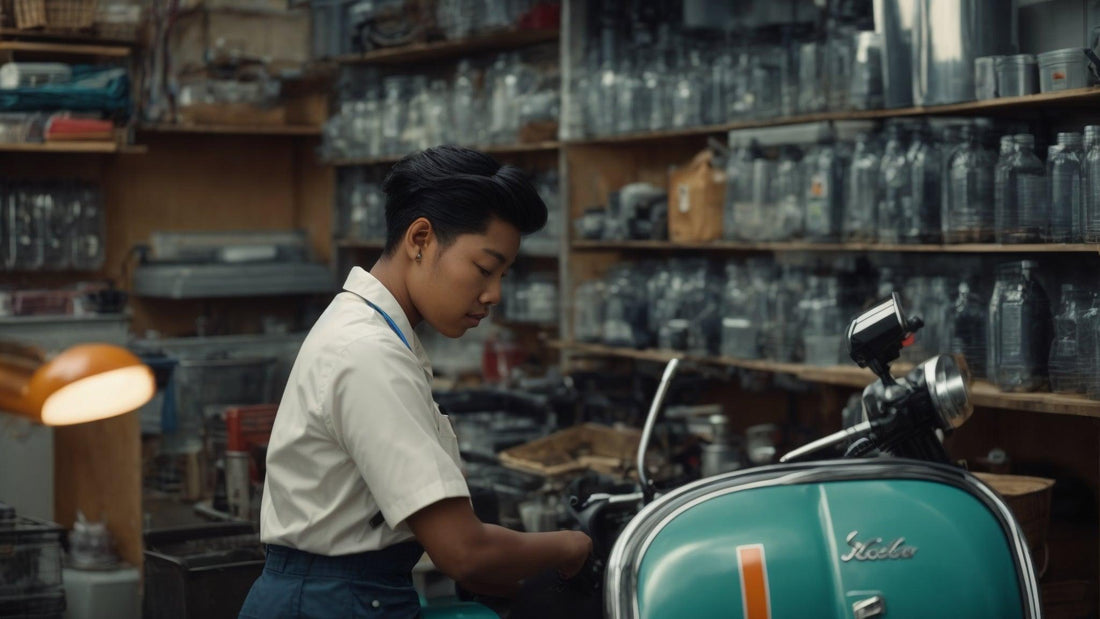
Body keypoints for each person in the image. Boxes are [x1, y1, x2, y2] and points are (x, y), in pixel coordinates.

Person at [238, 146, 592, 618]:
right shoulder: (368, 353)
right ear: (420, 238)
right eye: (485, 269)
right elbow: (464, 553)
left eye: (504, 274)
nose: (494, 295)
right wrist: (571, 546)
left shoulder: (372, 332)